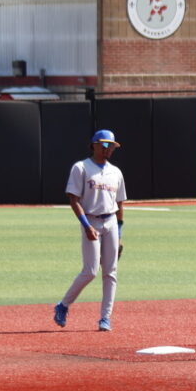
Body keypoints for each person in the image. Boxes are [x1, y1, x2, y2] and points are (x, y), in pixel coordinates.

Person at [53, 129, 127, 333]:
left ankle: (105, 318)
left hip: (111, 222)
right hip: (91, 220)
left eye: (111, 146)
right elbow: (73, 199)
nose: (108, 149)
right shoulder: (81, 168)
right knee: (90, 271)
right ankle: (63, 305)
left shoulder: (116, 172)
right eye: (104, 145)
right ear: (93, 145)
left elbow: (119, 203)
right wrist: (86, 226)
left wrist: (119, 233)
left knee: (111, 272)